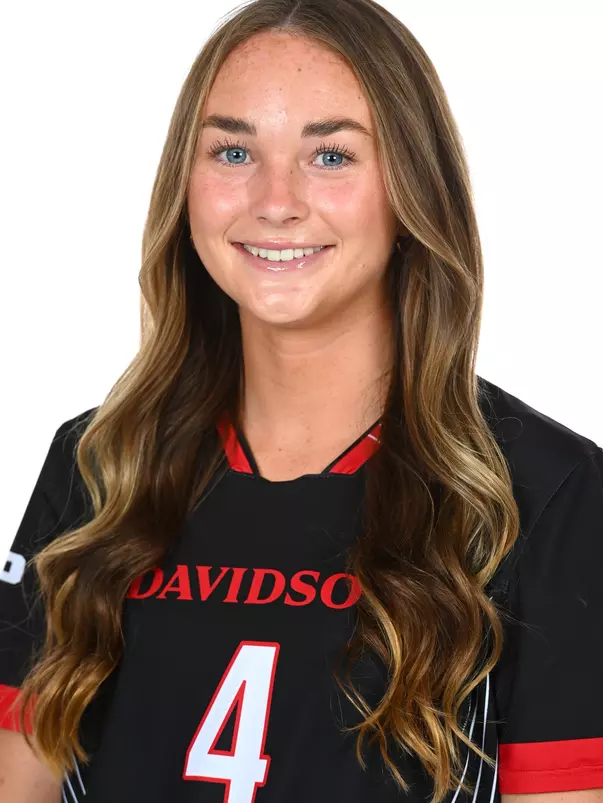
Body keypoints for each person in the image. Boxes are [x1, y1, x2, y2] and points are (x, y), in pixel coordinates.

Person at [1, 1, 602, 801]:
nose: (275, 200)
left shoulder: (546, 492)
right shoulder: (99, 465)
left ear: (412, 186)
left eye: (330, 155)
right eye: (233, 149)